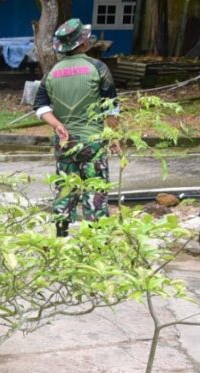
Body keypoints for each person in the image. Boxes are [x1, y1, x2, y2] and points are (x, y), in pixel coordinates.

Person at [33, 18, 120, 236]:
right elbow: (110, 108)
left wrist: (58, 125)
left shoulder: (51, 73)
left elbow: (40, 106)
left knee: (65, 188)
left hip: (64, 143)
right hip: (92, 142)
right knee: (95, 189)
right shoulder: (98, 68)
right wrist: (114, 137)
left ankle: (61, 236)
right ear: (82, 44)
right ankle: (95, 241)